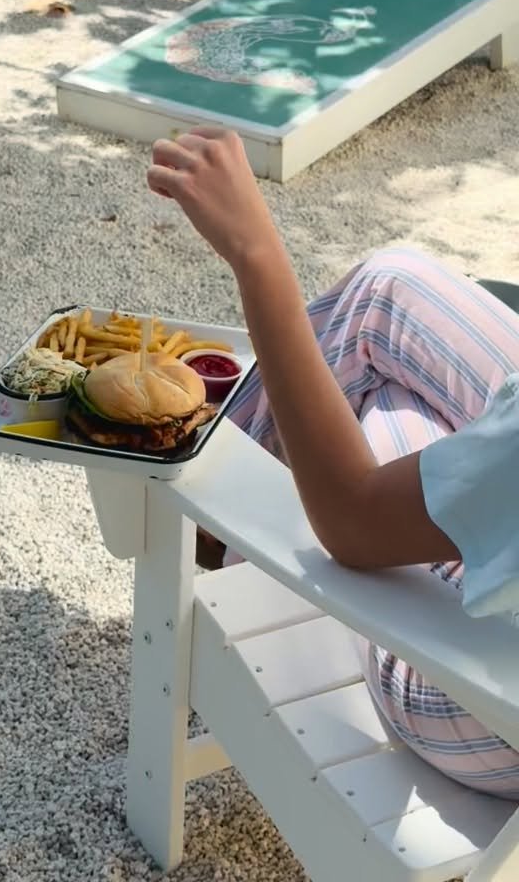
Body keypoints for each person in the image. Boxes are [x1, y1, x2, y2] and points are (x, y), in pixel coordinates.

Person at [147, 126, 519, 802]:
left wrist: (254, 251)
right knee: (387, 288)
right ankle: (221, 474)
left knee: (381, 406)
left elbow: (352, 519)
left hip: (486, 707)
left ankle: (208, 496)